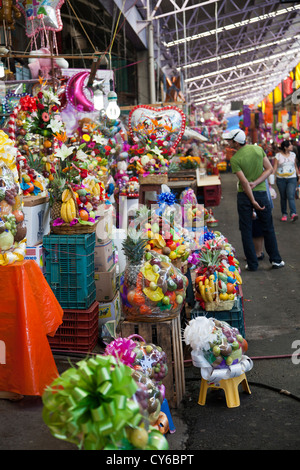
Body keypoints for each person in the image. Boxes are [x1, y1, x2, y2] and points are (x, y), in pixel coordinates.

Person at [223, 129, 284, 271]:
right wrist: (257, 183)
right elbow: (269, 169)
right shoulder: (258, 149)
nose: (228, 143)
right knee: (268, 227)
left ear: (236, 142)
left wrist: (252, 199)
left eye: (230, 141)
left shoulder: (235, 159)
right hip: (262, 192)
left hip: (245, 196)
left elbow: (244, 183)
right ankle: (276, 260)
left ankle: (252, 264)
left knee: (246, 229)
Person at [273, 140, 299, 222]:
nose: (292, 146)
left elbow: (295, 166)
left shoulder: (293, 155)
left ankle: (293, 213)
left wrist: (298, 176)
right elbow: (275, 167)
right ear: (285, 147)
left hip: (292, 178)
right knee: (283, 197)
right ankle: (284, 214)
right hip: (281, 179)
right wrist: (270, 177)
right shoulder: (278, 156)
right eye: (290, 145)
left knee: (290, 195)